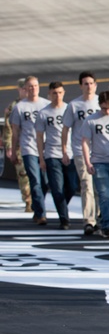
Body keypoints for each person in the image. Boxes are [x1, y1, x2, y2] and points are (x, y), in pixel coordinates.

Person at [80, 91, 109, 239]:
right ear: (99, 106)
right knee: (104, 194)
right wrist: (87, 161)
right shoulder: (91, 120)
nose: (107, 111)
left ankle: (105, 224)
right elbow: (85, 142)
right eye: (104, 108)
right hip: (99, 162)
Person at [62, 72, 100, 234]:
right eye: (85, 83)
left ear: (95, 85)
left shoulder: (101, 102)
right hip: (79, 150)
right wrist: (64, 149)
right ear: (80, 86)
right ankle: (88, 220)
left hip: (100, 151)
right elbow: (65, 128)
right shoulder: (74, 105)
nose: (89, 86)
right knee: (86, 184)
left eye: (91, 83)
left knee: (99, 186)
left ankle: (99, 216)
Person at [9, 77, 50, 225]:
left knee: (45, 183)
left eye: (35, 86)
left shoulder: (46, 105)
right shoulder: (19, 107)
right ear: (25, 89)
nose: (33, 89)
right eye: (30, 87)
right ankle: (41, 214)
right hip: (28, 148)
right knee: (35, 180)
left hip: (45, 149)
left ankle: (36, 204)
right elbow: (15, 131)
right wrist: (13, 151)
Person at [36, 82, 75, 230]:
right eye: (54, 93)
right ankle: (64, 219)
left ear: (63, 93)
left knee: (72, 187)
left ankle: (62, 205)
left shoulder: (69, 109)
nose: (57, 96)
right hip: (52, 154)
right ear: (49, 94)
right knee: (57, 188)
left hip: (70, 153)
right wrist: (41, 157)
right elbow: (39, 136)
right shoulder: (43, 113)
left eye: (59, 92)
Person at [3, 79, 33, 213]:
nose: (26, 91)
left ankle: (36, 199)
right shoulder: (13, 107)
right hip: (19, 146)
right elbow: (8, 128)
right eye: (23, 89)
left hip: (34, 145)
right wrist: (9, 146)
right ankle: (28, 201)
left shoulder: (37, 104)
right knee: (23, 175)